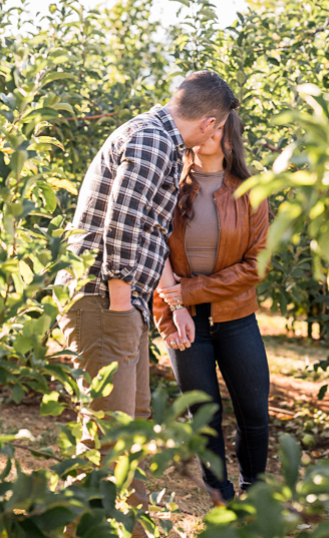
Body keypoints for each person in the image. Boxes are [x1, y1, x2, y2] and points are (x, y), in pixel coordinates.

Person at [55, 70, 239, 532]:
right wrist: (121, 305)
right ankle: (123, 528)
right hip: (103, 300)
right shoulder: (153, 141)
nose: (220, 137)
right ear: (211, 123)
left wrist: (173, 303)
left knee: (127, 424)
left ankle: (109, 523)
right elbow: (120, 224)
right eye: (221, 129)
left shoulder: (160, 141)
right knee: (113, 431)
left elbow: (150, 231)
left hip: (123, 302)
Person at [153, 109, 270, 502]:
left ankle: (254, 488)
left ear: (229, 138)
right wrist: (174, 305)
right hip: (184, 319)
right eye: (204, 122)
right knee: (204, 417)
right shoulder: (169, 185)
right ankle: (220, 493)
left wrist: (190, 292)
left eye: (217, 125)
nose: (207, 130)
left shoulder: (251, 192)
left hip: (236, 316)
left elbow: (256, 266)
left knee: (254, 413)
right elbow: (153, 246)